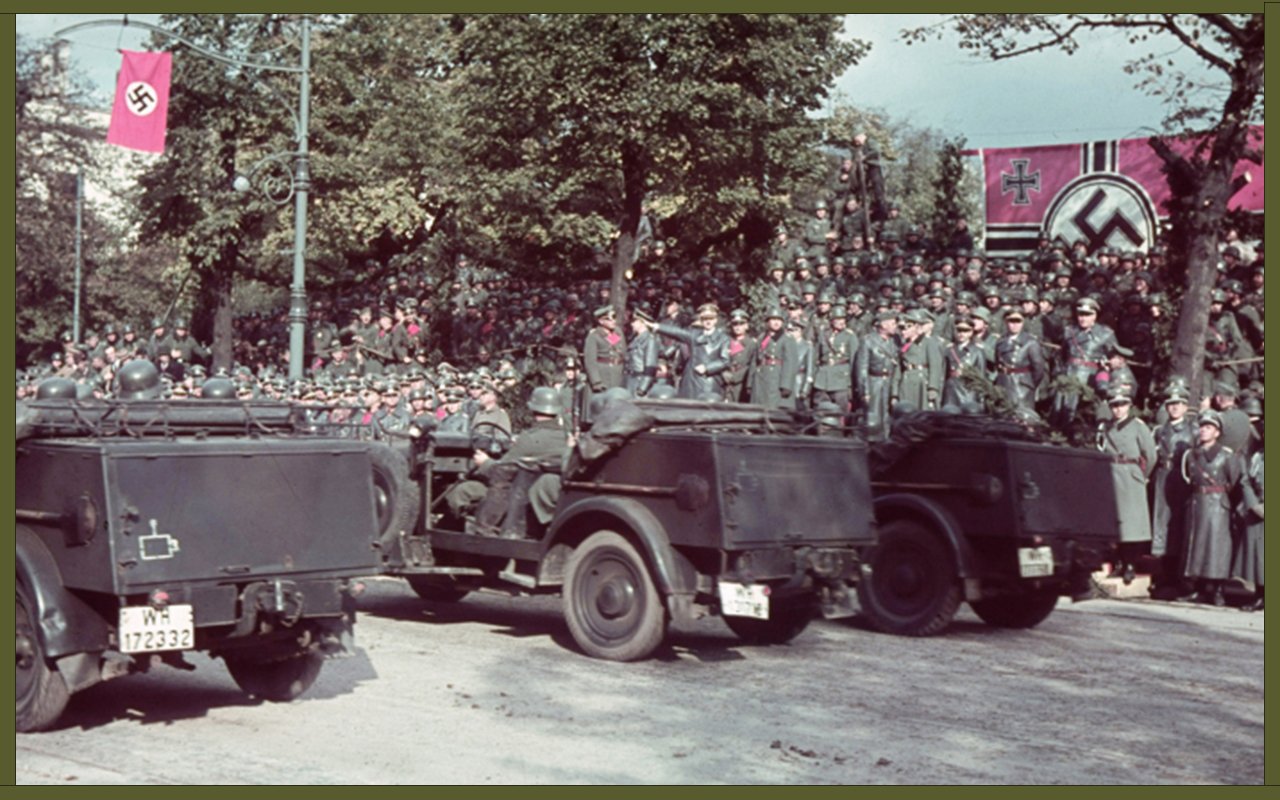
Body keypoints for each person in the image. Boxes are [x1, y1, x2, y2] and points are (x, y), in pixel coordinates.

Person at [443, 386, 570, 536]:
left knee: (459, 491)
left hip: (514, 493)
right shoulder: (566, 438)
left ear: (532, 409)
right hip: (536, 494)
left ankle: (461, 541)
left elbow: (502, 471)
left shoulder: (529, 438)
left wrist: (484, 462)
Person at [1181, 410, 1245, 606]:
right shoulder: (1191, 454)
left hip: (1218, 505)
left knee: (1216, 547)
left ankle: (1218, 589)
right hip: (1197, 503)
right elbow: (1187, 478)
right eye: (1202, 427)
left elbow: (1234, 483)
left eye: (1208, 428)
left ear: (1217, 432)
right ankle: (1198, 588)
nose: (1203, 431)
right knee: (1197, 546)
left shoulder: (1226, 456)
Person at [1096, 390, 1157, 584]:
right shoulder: (1105, 427)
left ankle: (1130, 564)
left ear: (1129, 406)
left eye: (1122, 405)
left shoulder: (1138, 426)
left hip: (1131, 475)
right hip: (1112, 475)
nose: (1118, 409)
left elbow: (1151, 455)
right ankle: (1118, 564)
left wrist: (1141, 476)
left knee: (1132, 526)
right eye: (1114, 405)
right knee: (1116, 523)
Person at [1150, 387, 1199, 598]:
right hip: (1163, 477)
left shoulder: (1194, 431)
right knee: (1161, 523)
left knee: (1180, 526)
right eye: (1171, 404)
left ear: (1186, 407)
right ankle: (1165, 575)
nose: (1174, 407)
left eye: (1178, 404)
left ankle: (1182, 578)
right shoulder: (1160, 430)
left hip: (1182, 479)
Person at [656, 303, 731, 400]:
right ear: (701, 319)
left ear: (715, 320)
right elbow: (677, 332)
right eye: (705, 318)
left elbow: (725, 361)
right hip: (690, 381)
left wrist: (707, 368)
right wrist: (656, 327)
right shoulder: (694, 334)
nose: (708, 321)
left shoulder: (723, 338)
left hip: (708, 383)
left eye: (711, 318)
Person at [854, 309, 900, 441]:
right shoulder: (868, 341)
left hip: (889, 382)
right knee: (872, 416)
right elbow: (862, 367)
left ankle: (885, 442)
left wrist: (894, 391)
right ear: (883, 325)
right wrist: (865, 391)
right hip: (874, 382)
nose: (895, 326)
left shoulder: (895, 341)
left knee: (887, 417)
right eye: (892, 323)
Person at [812, 304, 857, 411]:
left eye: (843, 319)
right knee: (820, 408)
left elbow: (854, 361)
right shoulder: (823, 334)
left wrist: (850, 383)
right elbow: (815, 357)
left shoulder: (850, 336)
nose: (842, 322)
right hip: (822, 379)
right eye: (838, 319)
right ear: (831, 320)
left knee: (841, 409)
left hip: (841, 379)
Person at [941, 317, 988, 410]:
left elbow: (981, 377)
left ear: (971, 332)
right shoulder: (949, 350)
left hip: (968, 391)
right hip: (951, 392)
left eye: (965, 331)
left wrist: (981, 400)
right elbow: (944, 374)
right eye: (959, 330)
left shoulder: (977, 351)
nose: (961, 334)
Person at [749, 307, 788, 409]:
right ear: (767, 322)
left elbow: (790, 363)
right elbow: (755, 361)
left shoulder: (786, 339)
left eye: (779, 320)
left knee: (771, 408)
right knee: (756, 407)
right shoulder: (762, 337)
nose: (776, 322)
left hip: (775, 377)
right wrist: (749, 383)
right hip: (759, 377)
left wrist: (786, 385)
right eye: (773, 319)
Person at [583, 305, 626, 394]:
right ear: (601, 321)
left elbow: (623, 352)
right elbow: (590, 361)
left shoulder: (617, 332)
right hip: (602, 375)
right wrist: (596, 382)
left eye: (614, 317)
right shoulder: (594, 336)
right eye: (609, 319)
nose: (613, 321)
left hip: (618, 374)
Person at [722, 309, 757, 403]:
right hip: (724, 382)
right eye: (735, 324)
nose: (738, 327)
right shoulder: (725, 341)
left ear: (746, 326)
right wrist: (723, 373)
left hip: (741, 384)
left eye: (741, 324)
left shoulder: (751, 344)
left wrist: (735, 377)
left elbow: (751, 365)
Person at [624, 308, 659, 398]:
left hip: (640, 380)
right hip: (632, 379)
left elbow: (650, 366)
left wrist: (643, 388)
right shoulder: (635, 338)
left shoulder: (649, 339)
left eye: (634, 321)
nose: (632, 324)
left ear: (642, 322)